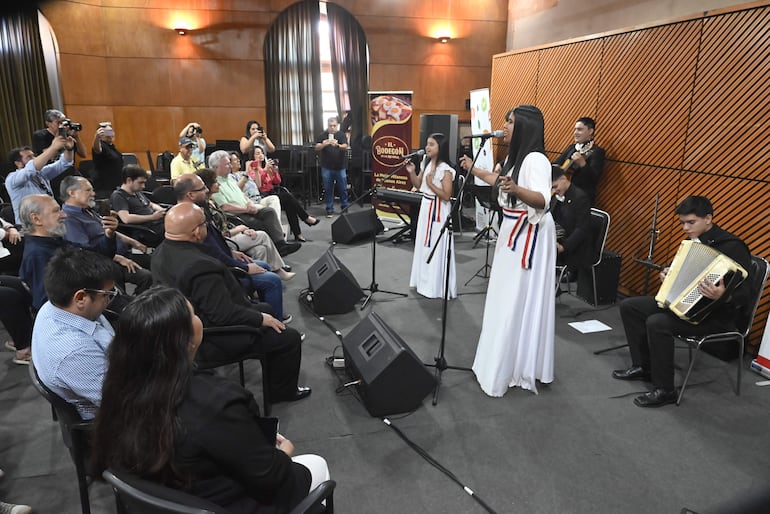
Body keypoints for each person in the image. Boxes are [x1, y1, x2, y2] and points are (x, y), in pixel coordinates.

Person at [92, 286, 328, 513]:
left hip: (173, 494)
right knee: (316, 465)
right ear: (186, 341)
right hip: (222, 504)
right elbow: (271, 476)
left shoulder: (118, 388)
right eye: (194, 314)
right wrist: (283, 453)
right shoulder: (216, 402)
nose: (198, 318)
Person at [151, 202, 310, 403]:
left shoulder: (160, 252)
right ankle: (282, 393)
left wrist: (261, 314)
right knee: (289, 337)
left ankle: (273, 375)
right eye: (204, 224)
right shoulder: (198, 266)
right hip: (209, 337)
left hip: (182, 327)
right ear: (196, 232)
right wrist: (260, 318)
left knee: (267, 308)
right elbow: (222, 315)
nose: (207, 227)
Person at [612, 196, 753, 407]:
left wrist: (723, 296)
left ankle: (665, 390)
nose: (685, 228)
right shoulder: (690, 243)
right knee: (630, 306)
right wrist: (666, 273)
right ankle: (644, 366)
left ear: (708, 219)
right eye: (682, 223)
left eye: (691, 222)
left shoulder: (733, 247)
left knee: (657, 323)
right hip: (684, 306)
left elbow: (747, 294)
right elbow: (676, 270)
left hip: (715, 316)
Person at [459, 105, 556, 397]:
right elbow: (501, 185)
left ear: (524, 125)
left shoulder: (536, 159)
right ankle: (502, 359)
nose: (506, 126)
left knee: (516, 298)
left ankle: (516, 364)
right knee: (504, 297)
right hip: (512, 232)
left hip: (530, 235)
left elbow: (542, 199)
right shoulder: (517, 158)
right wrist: (472, 169)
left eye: (510, 121)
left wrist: (516, 190)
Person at [174, 173, 293, 323]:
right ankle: (275, 324)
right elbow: (212, 254)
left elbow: (215, 243)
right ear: (190, 195)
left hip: (223, 263)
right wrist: (244, 267)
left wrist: (232, 252)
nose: (206, 190)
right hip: (218, 274)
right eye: (202, 188)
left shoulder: (197, 210)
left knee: (264, 264)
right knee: (273, 280)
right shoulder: (191, 219)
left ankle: (266, 310)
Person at [30, 246, 118, 420]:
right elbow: (124, 401)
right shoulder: (74, 352)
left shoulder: (52, 306)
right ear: (80, 298)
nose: (109, 300)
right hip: (113, 420)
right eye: (107, 295)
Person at [19, 194, 116, 312]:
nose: (64, 215)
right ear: (36, 219)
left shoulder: (56, 241)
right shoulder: (38, 255)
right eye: (56, 211)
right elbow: (50, 304)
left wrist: (108, 234)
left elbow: (97, 255)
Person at [61, 176, 153, 295]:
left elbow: (108, 231)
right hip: (105, 261)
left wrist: (134, 242)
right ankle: (133, 306)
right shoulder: (69, 218)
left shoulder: (88, 210)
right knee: (146, 277)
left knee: (153, 261)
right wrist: (118, 258)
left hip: (120, 252)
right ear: (72, 193)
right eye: (88, 190)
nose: (93, 194)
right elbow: (84, 251)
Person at [196, 168, 294, 278]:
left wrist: (244, 229)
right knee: (262, 235)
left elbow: (225, 223)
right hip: (225, 241)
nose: (218, 184)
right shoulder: (202, 210)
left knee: (260, 249)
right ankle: (279, 270)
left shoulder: (211, 202)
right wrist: (239, 229)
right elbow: (219, 234)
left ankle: (261, 278)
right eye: (215, 182)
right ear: (207, 186)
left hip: (230, 233)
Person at [208, 150, 300, 257]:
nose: (230, 166)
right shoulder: (214, 184)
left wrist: (249, 203)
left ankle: (281, 244)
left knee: (269, 211)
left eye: (229, 163)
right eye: (227, 164)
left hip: (246, 207)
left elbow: (241, 194)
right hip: (235, 215)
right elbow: (225, 207)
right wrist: (246, 209)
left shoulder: (228, 178)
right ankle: (277, 252)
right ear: (216, 167)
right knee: (262, 224)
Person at [405, 133, 457, 299]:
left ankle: (434, 286)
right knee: (423, 243)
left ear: (440, 147)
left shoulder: (446, 169)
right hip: (426, 208)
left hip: (438, 211)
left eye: (432, 144)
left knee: (436, 244)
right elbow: (419, 185)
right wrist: (412, 172)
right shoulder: (425, 162)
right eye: (427, 144)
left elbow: (447, 195)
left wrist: (431, 185)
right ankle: (422, 282)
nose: (427, 147)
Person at [252, 146, 319, 242]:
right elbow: (257, 185)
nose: (260, 155)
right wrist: (265, 170)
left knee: (290, 204)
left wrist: (275, 172)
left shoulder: (266, 167)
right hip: (263, 196)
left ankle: (298, 234)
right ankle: (306, 218)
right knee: (288, 197)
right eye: (257, 153)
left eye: (261, 153)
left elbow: (277, 181)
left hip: (273, 192)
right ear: (253, 156)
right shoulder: (253, 169)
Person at [6, 138, 75, 223]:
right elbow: (31, 168)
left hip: (51, 222)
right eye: (29, 157)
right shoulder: (12, 179)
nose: (34, 158)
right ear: (18, 163)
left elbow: (64, 163)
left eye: (33, 155)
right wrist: (53, 148)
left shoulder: (41, 173)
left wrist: (69, 149)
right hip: (30, 228)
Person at [550, 165, 593, 280]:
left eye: (555, 186)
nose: (554, 191)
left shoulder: (580, 197)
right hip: (560, 237)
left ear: (563, 179)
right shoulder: (556, 196)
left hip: (575, 247)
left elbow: (582, 229)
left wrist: (564, 246)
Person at [552, 117, 606, 205]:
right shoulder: (571, 148)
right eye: (575, 130)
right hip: (562, 194)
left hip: (580, 198)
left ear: (590, 131)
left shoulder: (596, 151)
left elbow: (594, 179)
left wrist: (583, 164)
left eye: (579, 130)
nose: (575, 133)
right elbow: (556, 164)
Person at [110, 164, 166, 247]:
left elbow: (151, 204)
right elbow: (126, 218)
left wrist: (161, 210)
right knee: (178, 230)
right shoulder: (118, 196)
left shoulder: (136, 192)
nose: (143, 186)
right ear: (129, 180)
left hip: (156, 224)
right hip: (146, 231)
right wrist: (152, 217)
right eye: (140, 183)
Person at [315, 116, 350, 217]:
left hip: (340, 167)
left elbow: (345, 146)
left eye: (334, 126)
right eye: (330, 126)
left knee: (343, 188)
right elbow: (316, 147)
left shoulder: (341, 135)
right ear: (327, 126)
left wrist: (338, 145)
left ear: (337, 125)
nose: (332, 128)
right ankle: (329, 209)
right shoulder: (323, 135)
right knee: (328, 189)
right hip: (327, 167)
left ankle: (344, 207)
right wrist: (324, 144)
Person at [90, 121, 124, 199]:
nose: (110, 134)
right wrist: (97, 138)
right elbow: (97, 149)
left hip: (115, 186)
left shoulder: (112, 146)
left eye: (111, 131)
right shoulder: (101, 145)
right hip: (104, 189)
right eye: (107, 132)